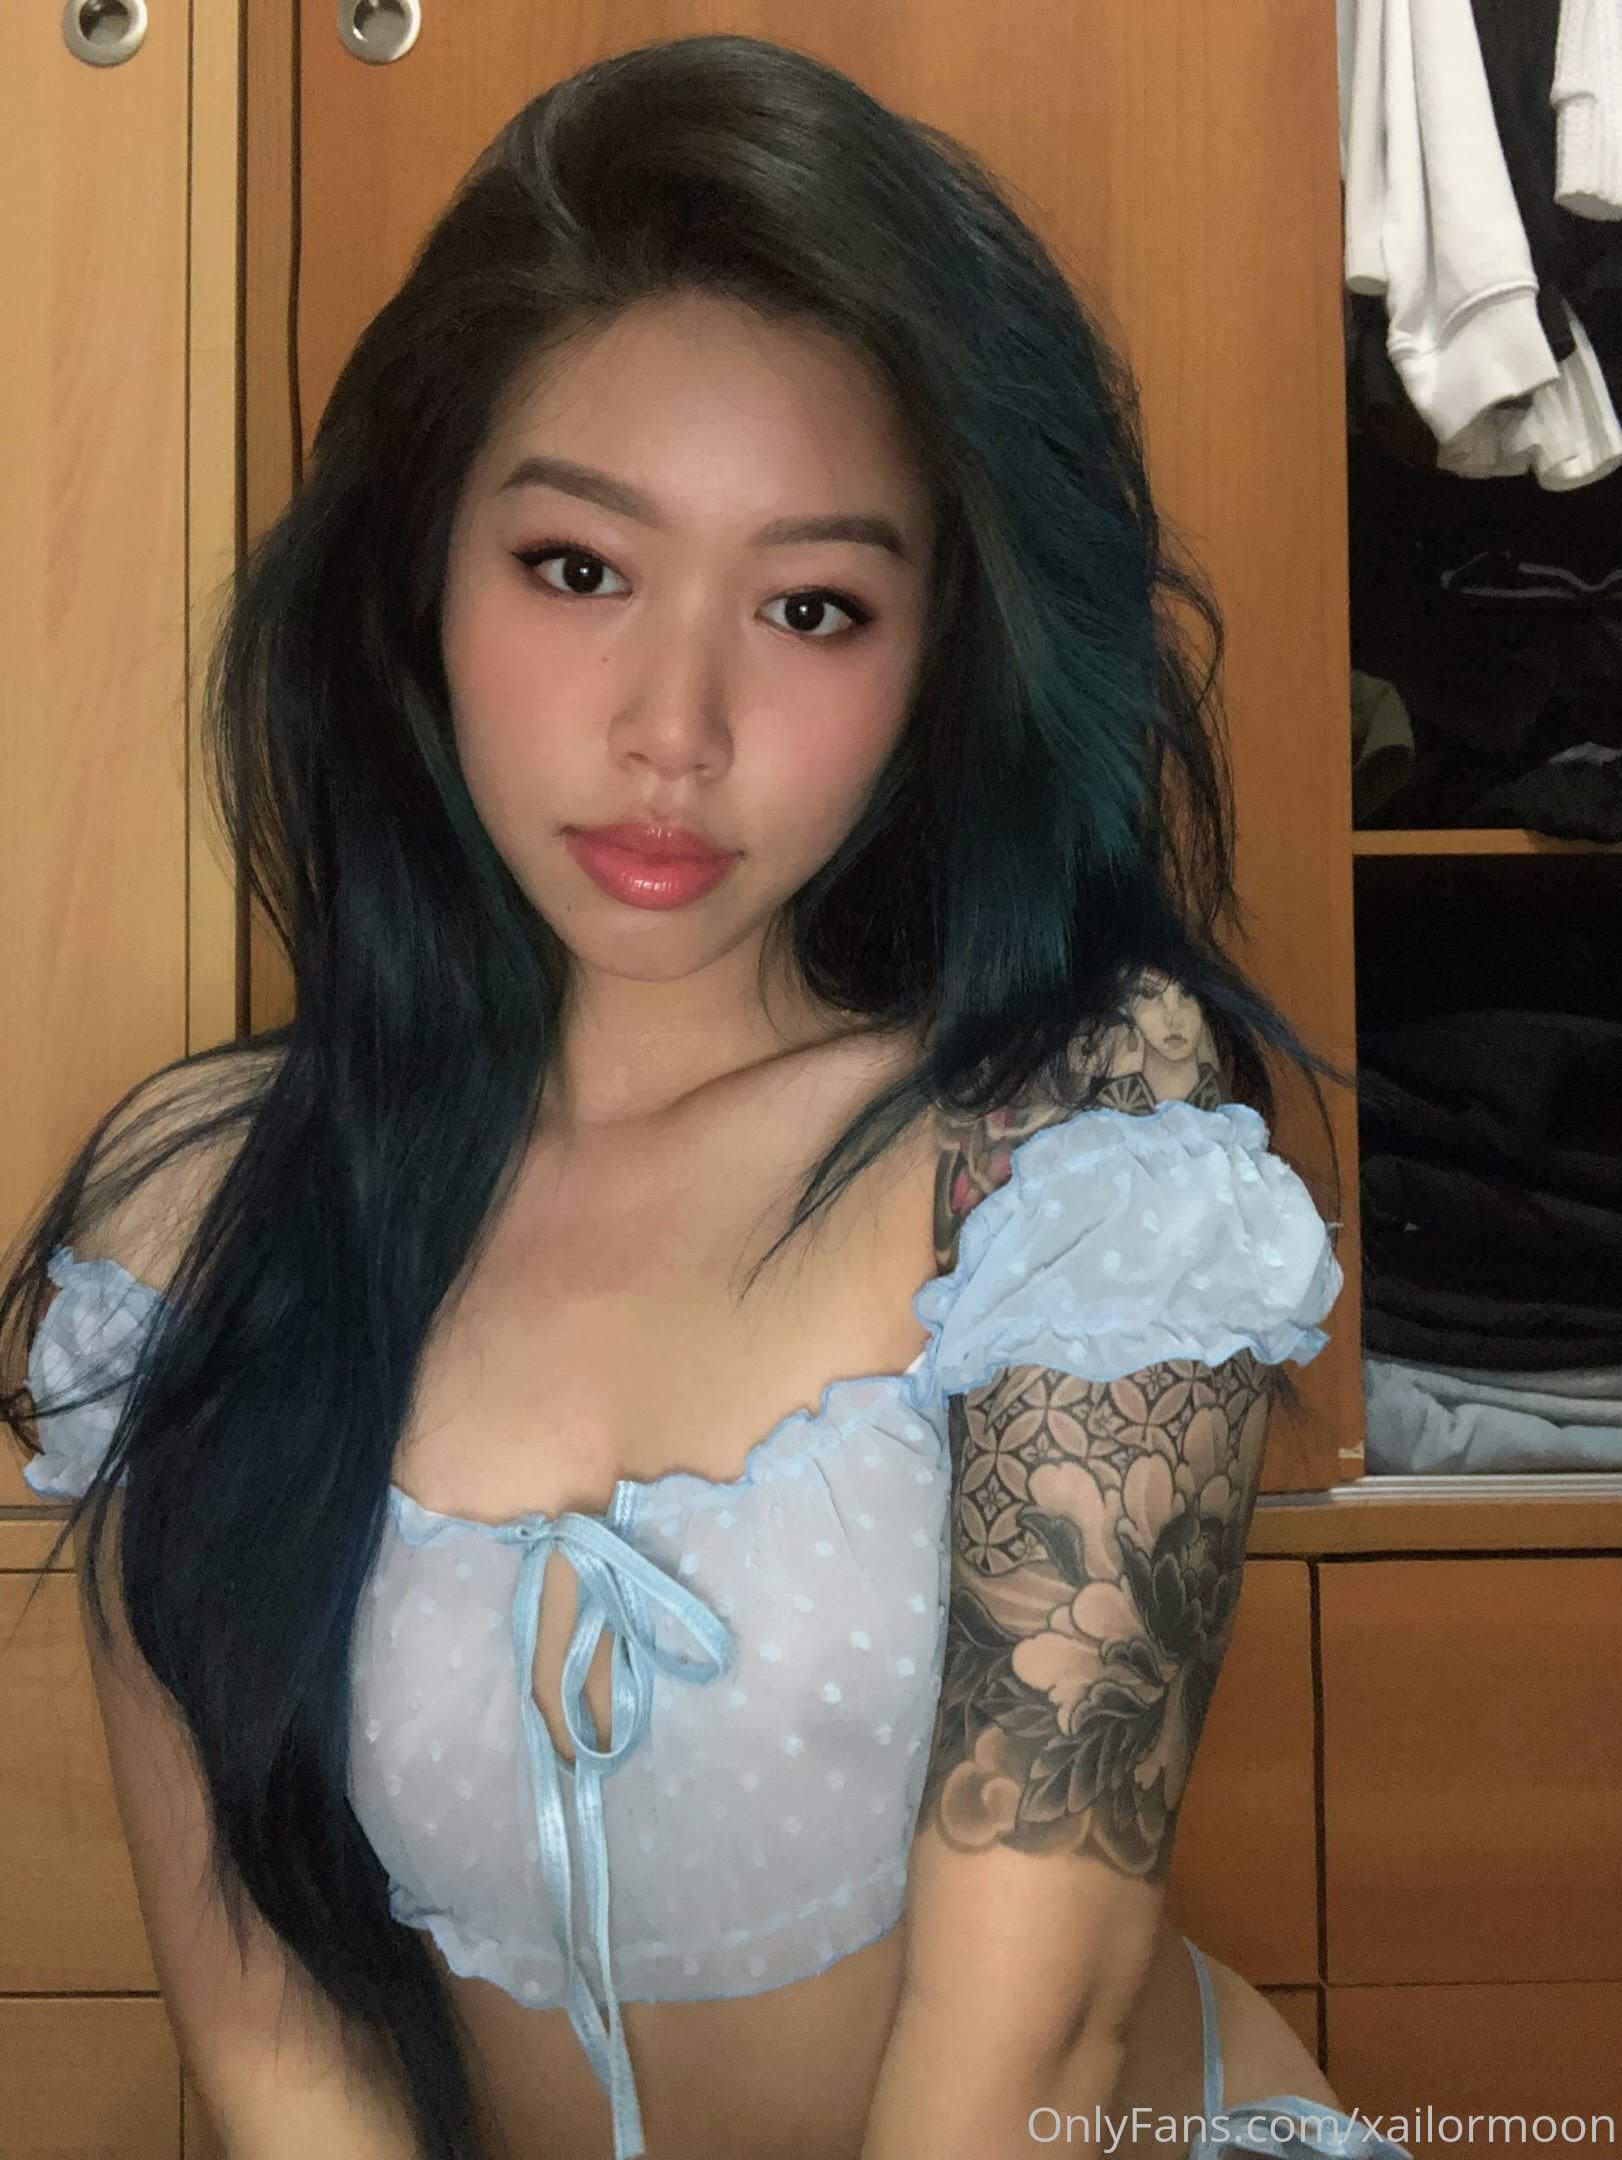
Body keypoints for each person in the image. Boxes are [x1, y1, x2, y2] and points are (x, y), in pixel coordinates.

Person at [1, 33, 1410, 2160]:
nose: (676, 726)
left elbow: (1031, 2038)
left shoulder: (1057, 1159)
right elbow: (275, 2033)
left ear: (939, 662)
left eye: (813, 608)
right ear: (418, 569)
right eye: (578, 568)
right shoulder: (191, 1226)